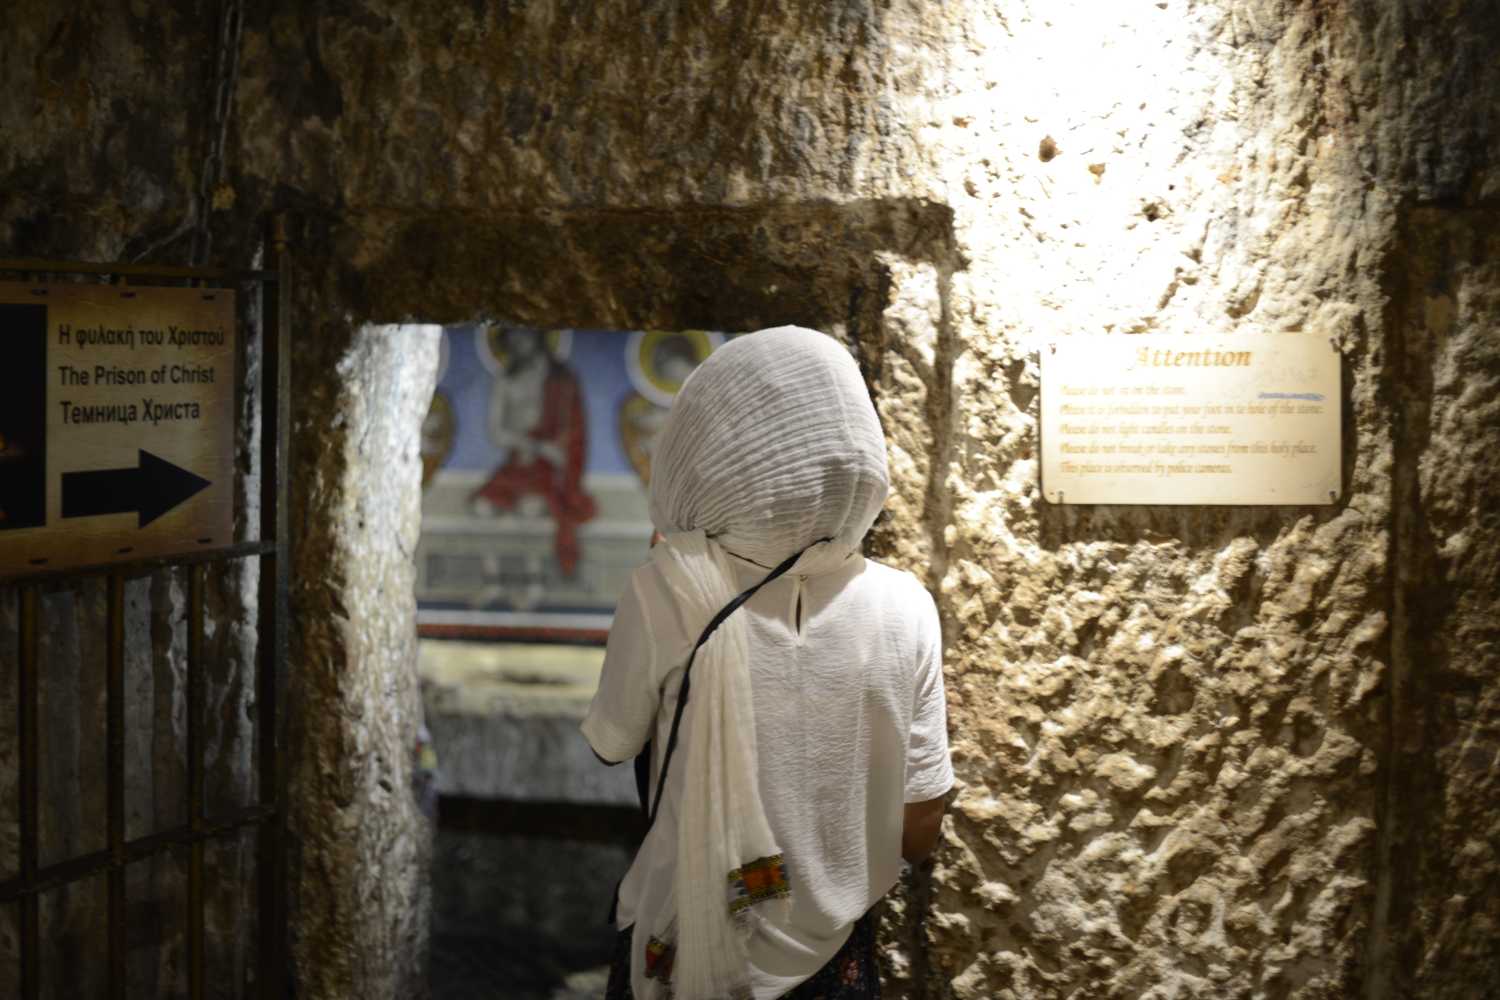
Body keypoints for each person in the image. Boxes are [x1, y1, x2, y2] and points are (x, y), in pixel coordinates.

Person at [581, 326, 953, 1000]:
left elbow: (614, 741)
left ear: (707, 449)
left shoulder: (666, 590)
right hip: (833, 967)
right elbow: (919, 829)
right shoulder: (908, 607)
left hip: (678, 955)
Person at [468, 328, 597, 576]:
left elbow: (574, 431)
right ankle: (491, 575)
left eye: (524, 335)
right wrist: (535, 446)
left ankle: (532, 577)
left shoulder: (561, 380)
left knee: (530, 508)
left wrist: (553, 453)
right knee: (482, 507)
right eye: (513, 337)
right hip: (517, 465)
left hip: (547, 471)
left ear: (538, 337)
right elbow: (496, 433)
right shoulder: (505, 380)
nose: (519, 342)